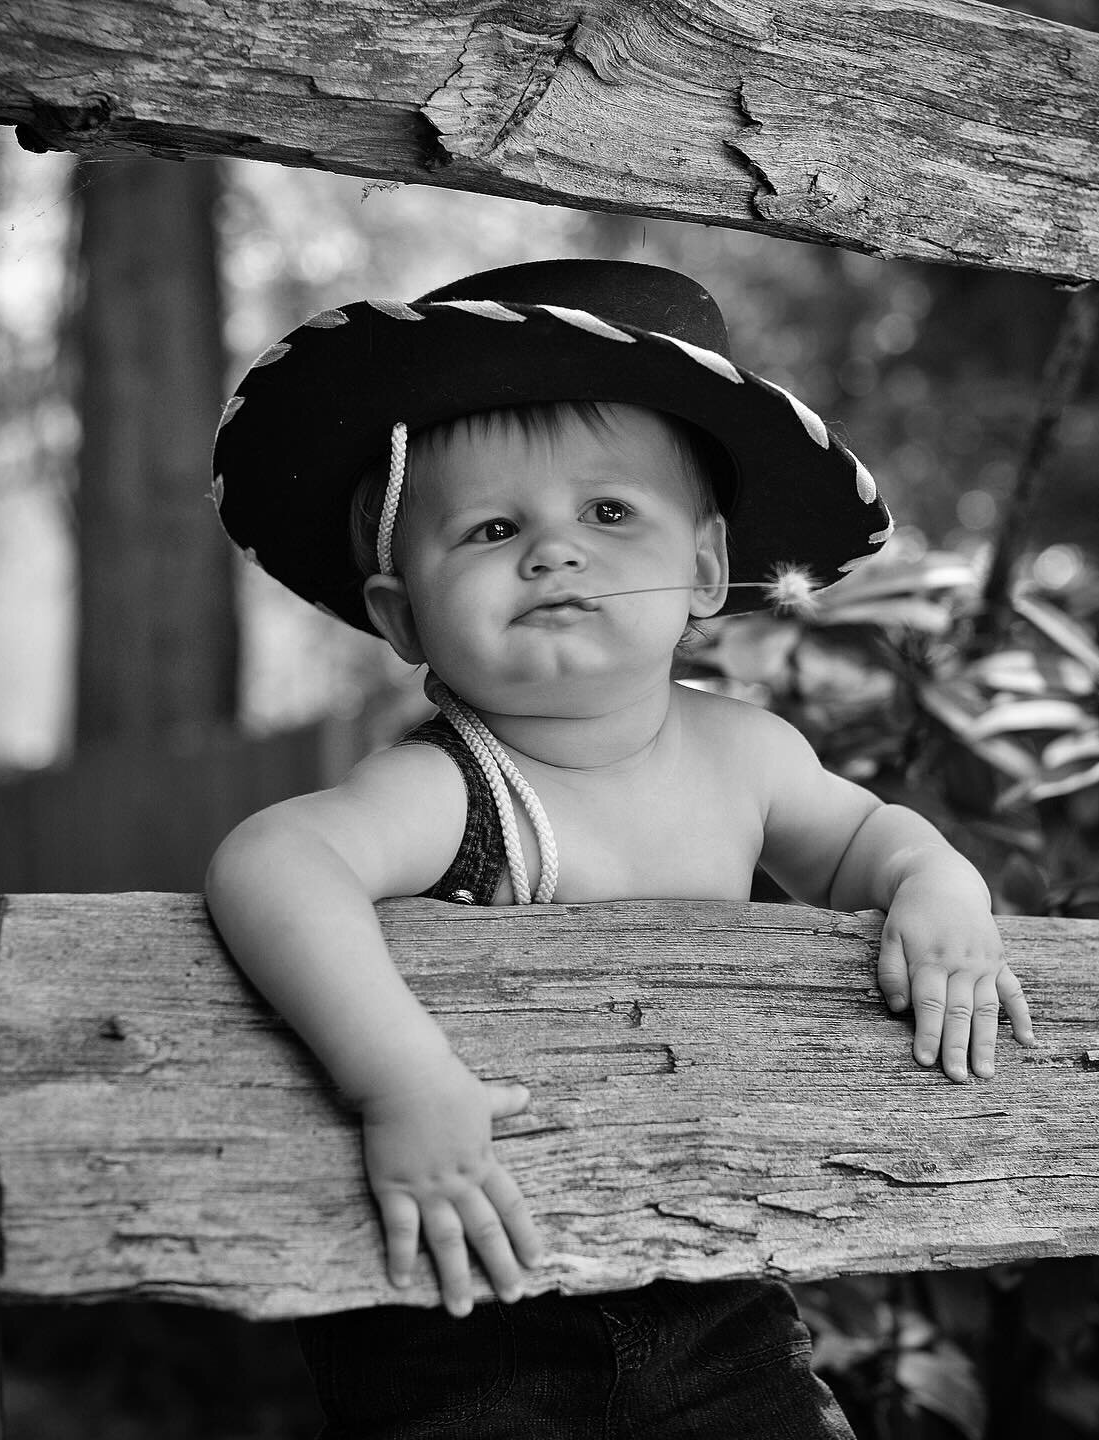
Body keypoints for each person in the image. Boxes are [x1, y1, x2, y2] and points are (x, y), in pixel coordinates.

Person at [206, 259, 1034, 1439]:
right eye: (493, 529)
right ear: (401, 615)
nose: (554, 553)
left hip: (712, 1281)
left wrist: (935, 883)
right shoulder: (458, 785)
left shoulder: (746, 756)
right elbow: (275, 863)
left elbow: (864, 840)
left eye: (608, 513)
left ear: (702, 568)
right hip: (477, 1304)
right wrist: (400, 1078)